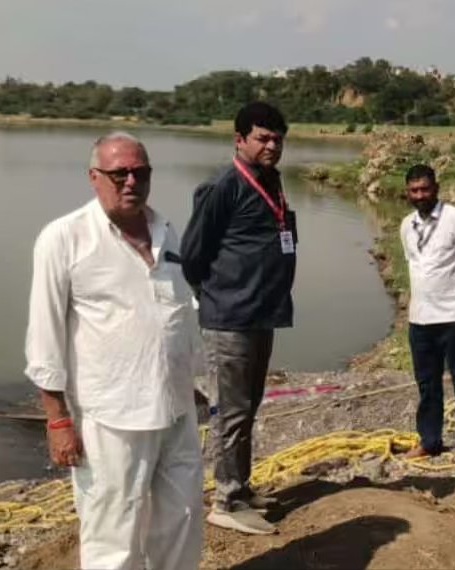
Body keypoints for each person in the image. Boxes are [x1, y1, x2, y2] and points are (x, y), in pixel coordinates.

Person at [24, 132, 204, 570]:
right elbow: (43, 337)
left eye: (139, 173)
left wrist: (197, 383)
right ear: (94, 177)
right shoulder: (64, 238)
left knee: (181, 519)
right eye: (118, 173)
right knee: (113, 534)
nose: (130, 182)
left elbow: (177, 314)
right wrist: (58, 419)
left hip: (177, 409)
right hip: (110, 418)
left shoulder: (166, 231)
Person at [180, 101, 295, 535]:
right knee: (229, 410)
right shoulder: (223, 186)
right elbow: (193, 255)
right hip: (229, 317)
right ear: (240, 140)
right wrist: (214, 297)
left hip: (262, 314)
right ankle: (226, 500)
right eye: (263, 138)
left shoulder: (272, 181)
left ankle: (241, 487)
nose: (272, 146)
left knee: (248, 407)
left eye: (277, 139)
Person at [399, 164, 455, 464]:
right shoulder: (407, 225)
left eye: (425, 189)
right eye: (414, 190)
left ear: (436, 188)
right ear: (407, 192)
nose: (420, 195)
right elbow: (414, 263)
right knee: (427, 383)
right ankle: (429, 441)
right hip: (420, 317)